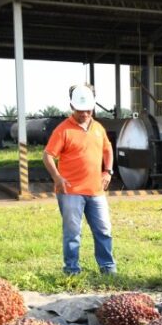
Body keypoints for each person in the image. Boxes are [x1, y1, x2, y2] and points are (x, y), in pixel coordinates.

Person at [43, 83, 117, 276]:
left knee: (103, 231)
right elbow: (48, 155)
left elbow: (108, 150)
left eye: (88, 110)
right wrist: (57, 177)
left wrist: (108, 171)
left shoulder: (99, 128)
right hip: (70, 192)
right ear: (72, 107)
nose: (84, 113)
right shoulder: (63, 130)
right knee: (73, 234)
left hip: (96, 192)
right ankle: (72, 270)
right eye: (80, 110)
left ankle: (108, 268)